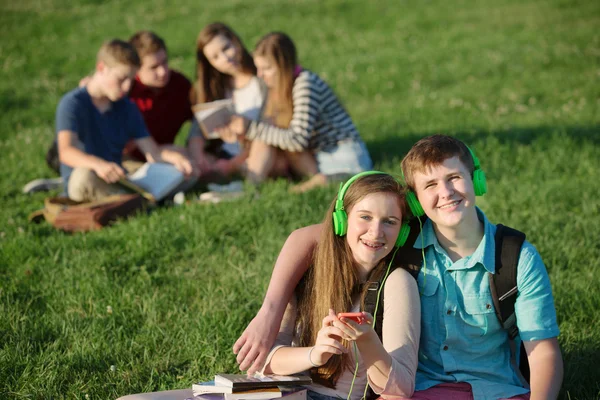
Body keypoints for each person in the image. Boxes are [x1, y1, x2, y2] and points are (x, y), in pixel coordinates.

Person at [234, 135, 563, 400]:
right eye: (431, 185)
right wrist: (269, 312)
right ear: (418, 201)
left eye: (454, 178)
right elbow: (311, 237)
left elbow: (543, 352)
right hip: (422, 388)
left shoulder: (515, 256)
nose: (446, 192)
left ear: (475, 179)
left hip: (497, 390)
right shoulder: (403, 240)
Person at [114, 172, 420, 400]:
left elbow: (400, 385)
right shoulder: (313, 269)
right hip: (277, 392)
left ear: (402, 231)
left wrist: (367, 340)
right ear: (342, 220)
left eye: (390, 221)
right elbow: (269, 358)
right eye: (365, 217)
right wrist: (315, 354)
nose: (376, 232)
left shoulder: (397, 284)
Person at [23, 31, 200, 193]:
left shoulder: (127, 106)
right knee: (84, 177)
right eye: (121, 79)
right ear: (101, 68)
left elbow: (152, 152)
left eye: (131, 80)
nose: (127, 87)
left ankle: (137, 200)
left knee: (188, 174)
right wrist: (99, 165)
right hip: (89, 176)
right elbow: (66, 151)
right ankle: (142, 201)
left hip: (119, 179)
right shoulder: (72, 103)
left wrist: (177, 159)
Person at [216, 32, 372, 190]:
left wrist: (251, 128)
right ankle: (250, 185)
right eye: (258, 68)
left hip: (341, 154)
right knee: (269, 132)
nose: (260, 75)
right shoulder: (279, 86)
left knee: (267, 133)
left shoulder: (305, 84)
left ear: (284, 65)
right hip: (316, 154)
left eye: (267, 68)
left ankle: (252, 187)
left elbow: (297, 140)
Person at [188, 22, 268, 179]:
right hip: (224, 153)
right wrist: (198, 157)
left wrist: (232, 165)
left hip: (258, 151)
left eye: (226, 48)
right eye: (215, 57)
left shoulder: (261, 78)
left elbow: (273, 128)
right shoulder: (212, 88)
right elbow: (196, 131)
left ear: (235, 41)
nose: (225, 58)